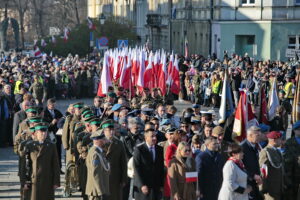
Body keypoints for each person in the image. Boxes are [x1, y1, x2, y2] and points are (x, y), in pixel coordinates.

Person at [21, 122, 60, 200]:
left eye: (45, 131)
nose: (44, 133)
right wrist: (24, 181)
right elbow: (24, 165)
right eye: (41, 131)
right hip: (33, 180)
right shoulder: (29, 146)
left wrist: (56, 181)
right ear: (36, 133)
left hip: (47, 179)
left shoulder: (51, 146)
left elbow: (55, 164)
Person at [133, 128, 164, 200]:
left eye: (155, 136)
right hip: (144, 187)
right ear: (146, 137)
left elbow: (161, 168)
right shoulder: (139, 149)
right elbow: (137, 168)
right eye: (152, 136)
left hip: (156, 187)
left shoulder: (160, 149)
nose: (154, 138)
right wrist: (142, 185)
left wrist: (161, 185)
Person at [101, 119, 127, 200]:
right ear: (104, 131)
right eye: (109, 130)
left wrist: (123, 179)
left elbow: (123, 162)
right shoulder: (99, 143)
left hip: (115, 178)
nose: (111, 132)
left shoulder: (119, 143)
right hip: (102, 178)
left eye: (113, 130)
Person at [85, 129, 110, 200]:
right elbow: (95, 173)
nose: (105, 140)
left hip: (99, 189)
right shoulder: (95, 154)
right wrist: (100, 192)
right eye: (103, 139)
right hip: (96, 191)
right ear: (97, 141)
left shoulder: (99, 151)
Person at [259, 131, 284, 200]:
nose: (281, 141)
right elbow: (263, 172)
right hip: (270, 189)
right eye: (280, 139)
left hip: (278, 186)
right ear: (274, 140)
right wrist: (263, 188)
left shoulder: (277, 151)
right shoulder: (265, 152)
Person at [240, 126, 263, 200]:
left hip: (255, 182)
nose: (260, 137)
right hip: (246, 183)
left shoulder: (255, 146)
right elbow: (240, 166)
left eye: (260, 135)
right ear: (250, 135)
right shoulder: (242, 147)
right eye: (257, 135)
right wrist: (252, 175)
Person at [43, 98, 63, 171]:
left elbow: (62, 120)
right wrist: (52, 123)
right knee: (51, 151)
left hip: (57, 134)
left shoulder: (57, 112)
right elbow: (44, 124)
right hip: (49, 134)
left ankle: (59, 168)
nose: (53, 106)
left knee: (58, 151)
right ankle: (50, 168)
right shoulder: (44, 113)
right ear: (48, 105)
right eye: (52, 105)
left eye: (54, 105)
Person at [284, 121, 300, 200]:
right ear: (294, 130)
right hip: (293, 174)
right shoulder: (289, 142)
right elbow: (287, 160)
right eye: (299, 129)